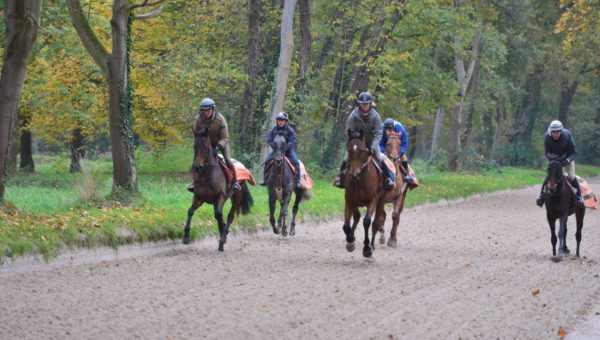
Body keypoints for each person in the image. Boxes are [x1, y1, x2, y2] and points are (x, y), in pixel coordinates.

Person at [333, 91, 395, 190]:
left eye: (367, 103)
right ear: (359, 104)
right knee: (346, 158)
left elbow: (379, 132)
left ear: (370, 104)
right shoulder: (353, 115)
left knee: (380, 157)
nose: (365, 105)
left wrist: (373, 147)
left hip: (371, 142)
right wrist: (355, 137)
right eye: (363, 104)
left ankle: (388, 179)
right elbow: (348, 130)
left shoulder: (375, 116)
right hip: (357, 142)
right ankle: (340, 178)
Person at [189, 98, 240, 193]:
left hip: (220, 143)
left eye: (208, 110)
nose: (206, 112)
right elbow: (196, 134)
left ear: (213, 109)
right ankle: (194, 183)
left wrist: (217, 147)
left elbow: (225, 137)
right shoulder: (198, 119)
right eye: (204, 110)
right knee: (196, 161)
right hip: (205, 145)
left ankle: (235, 182)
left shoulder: (220, 119)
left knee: (228, 160)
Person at [536, 120, 583, 207]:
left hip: (567, 158)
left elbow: (574, 152)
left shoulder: (567, 135)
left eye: (557, 132)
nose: (555, 135)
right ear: (550, 132)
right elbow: (547, 152)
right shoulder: (547, 137)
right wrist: (551, 159)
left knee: (572, 176)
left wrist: (568, 160)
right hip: (554, 160)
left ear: (561, 131)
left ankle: (579, 197)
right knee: (549, 177)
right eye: (553, 132)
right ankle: (541, 197)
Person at [263, 112, 302, 188]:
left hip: (288, 151)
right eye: (279, 120)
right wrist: (274, 146)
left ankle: (297, 181)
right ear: (277, 121)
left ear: (285, 121)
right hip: (276, 151)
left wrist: (285, 147)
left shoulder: (290, 130)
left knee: (296, 162)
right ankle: (265, 180)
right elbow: (269, 140)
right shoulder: (273, 130)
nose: (280, 122)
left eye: (282, 120)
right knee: (267, 161)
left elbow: (292, 141)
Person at [379, 118, 414, 184]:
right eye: (386, 129)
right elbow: (381, 144)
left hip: (397, 146)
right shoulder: (381, 130)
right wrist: (383, 152)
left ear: (393, 127)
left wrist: (399, 152)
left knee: (403, 156)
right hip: (387, 145)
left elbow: (404, 142)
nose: (388, 131)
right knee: (379, 157)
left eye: (390, 129)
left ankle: (407, 174)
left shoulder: (400, 128)